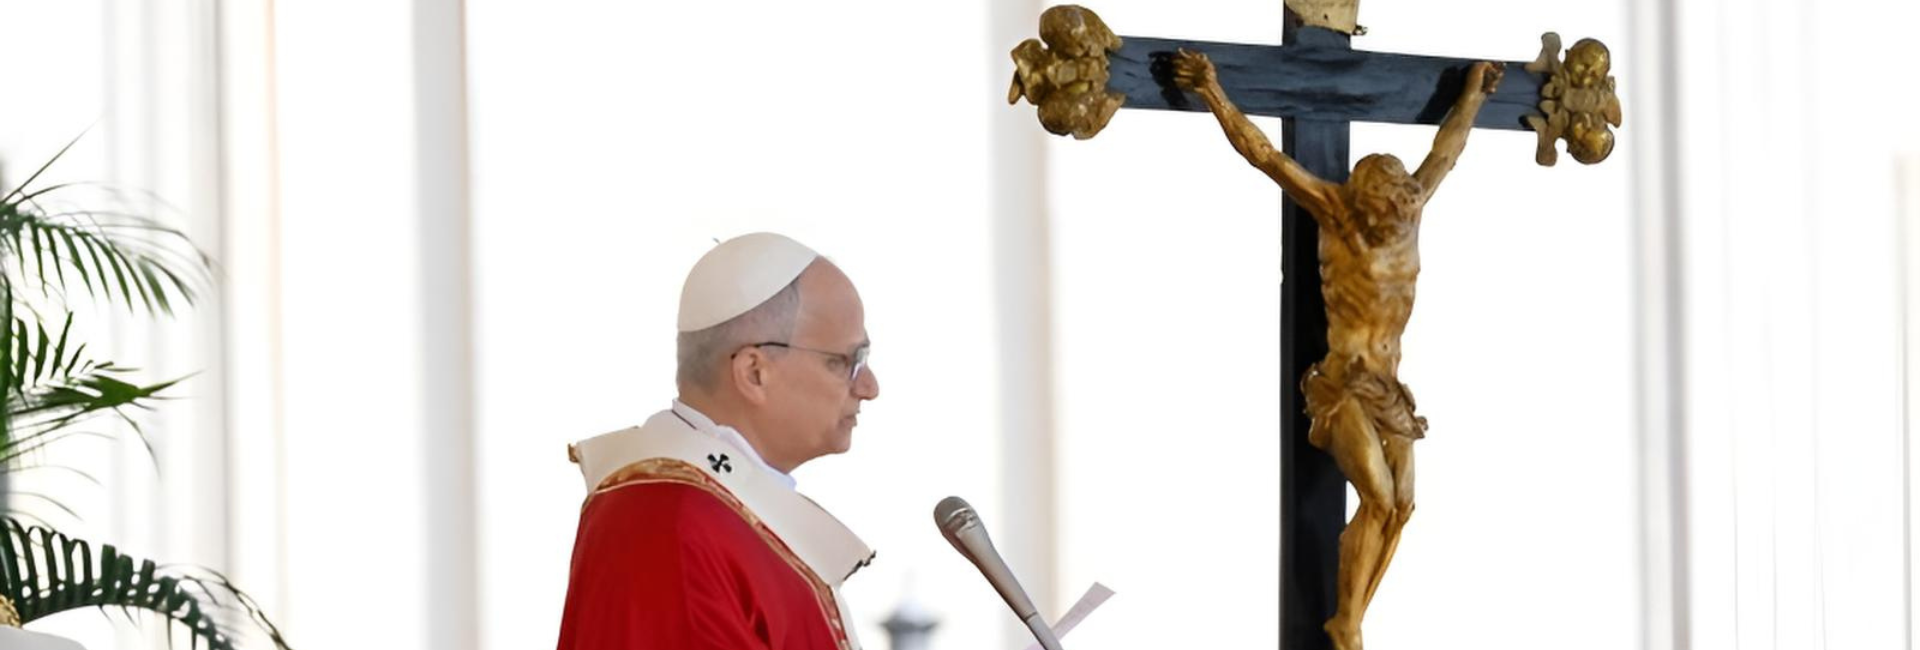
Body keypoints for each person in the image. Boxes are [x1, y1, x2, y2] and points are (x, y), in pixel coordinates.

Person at [1171, 50, 1504, 650]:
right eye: (1388, 208)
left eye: (1404, 206)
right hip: (1343, 381)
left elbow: (1446, 152)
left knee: (1403, 506)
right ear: (1365, 200)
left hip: (1390, 388)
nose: (1397, 217)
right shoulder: (1337, 211)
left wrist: (1475, 94)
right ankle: (1346, 627)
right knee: (1376, 497)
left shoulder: (1411, 209)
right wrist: (1214, 91)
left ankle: (1348, 623)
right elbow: (1264, 154)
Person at [556, 232, 882, 650]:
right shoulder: (672, 522)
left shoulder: (726, 510)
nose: (869, 387)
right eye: (846, 362)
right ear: (754, 373)